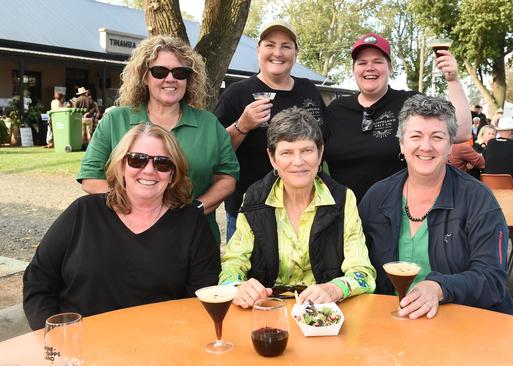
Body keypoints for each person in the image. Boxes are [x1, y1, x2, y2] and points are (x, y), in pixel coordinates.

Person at [23, 124, 220, 330]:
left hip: (157, 350)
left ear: (173, 174)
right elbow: (38, 280)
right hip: (80, 350)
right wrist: (55, 337)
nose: (149, 170)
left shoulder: (191, 223)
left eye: (162, 163)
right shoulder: (83, 212)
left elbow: (200, 299)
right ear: (121, 166)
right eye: (137, 160)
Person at [359, 95, 513, 319]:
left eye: (437, 137)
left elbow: (492, 280)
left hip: (466, 325)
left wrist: (438, 288)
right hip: (393, 325)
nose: (426, 147)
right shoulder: (377, 198)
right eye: (416, 136)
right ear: (402, 143)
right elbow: (356, 265)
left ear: (451, 144)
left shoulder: (478, 199)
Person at [78, 35, 239, 244]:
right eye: (159, 72)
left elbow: (227, 178)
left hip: (193, 239)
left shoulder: (209, 124)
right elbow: (90, 177)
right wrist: (133, 210)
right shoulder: (115, 120)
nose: (170, 79)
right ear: (145, 77)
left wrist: (195, 209)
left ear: (189, 79)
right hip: (126, 237)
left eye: (180, 73)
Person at [219, 107, 376, 307]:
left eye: (307, 150)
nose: (298, 162)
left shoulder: (343, 198)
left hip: (324, 314)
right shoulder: (254, 199)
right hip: (269, 312)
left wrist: (336, 288)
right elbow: (233, 263)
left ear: (320, 154)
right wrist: (237, 287)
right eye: (286, 152)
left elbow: (363, 273)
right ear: (272, 158)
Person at [324, 32, 472, 202]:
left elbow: (462, 132)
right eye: (362, 63)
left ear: (390, 68)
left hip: (397, 215)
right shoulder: (336, 109)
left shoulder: (411, 103)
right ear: (354, 69)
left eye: (378, 62)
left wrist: (453, 80)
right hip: (343, 216)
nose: (369, 67)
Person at [214, 20, 325, 241]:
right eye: (270, 45)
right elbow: (215, 152)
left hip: (304, 211)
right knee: (247, 274)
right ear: (258, 50)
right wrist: (241, 126)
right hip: (250, 211)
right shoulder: (237, 94)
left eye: (286, 46)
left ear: (295, 52)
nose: (278, 52)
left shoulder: (309, 90)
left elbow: (324, 143)